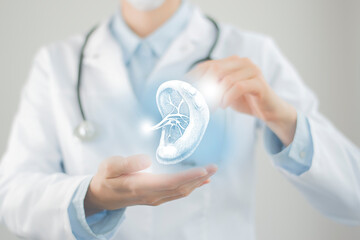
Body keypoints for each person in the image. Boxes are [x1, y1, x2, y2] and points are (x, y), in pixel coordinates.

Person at [0, 0, 359, 239]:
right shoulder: (58, 63)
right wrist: (92, 197)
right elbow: (11, 196)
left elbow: (353, 198)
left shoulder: (250, 52)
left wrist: (284, 119)